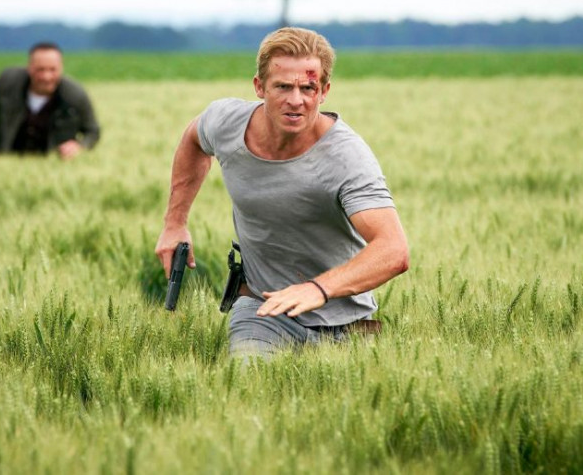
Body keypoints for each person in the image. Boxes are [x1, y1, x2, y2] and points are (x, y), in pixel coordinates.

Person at [155, 27, 409, 359]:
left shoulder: (347, 158)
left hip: (345, 323)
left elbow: (394, 250)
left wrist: (318, 289)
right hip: (263, 309)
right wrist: (175, 223)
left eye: (308, 88)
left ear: (324, 91)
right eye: (283, 86)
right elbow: (194, 140)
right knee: (247, 379)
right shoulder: (227, 123)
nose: (296, 100)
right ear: (259, 87)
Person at [0, 42, 100, 159]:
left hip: (54, 160)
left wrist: (78, 146)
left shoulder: (75, 94)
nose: (46, 77)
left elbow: (93, 132)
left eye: (53, 70)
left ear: (61, 68)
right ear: (29, 67)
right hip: (11, 158)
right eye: (40, 70)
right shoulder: (7, 84)